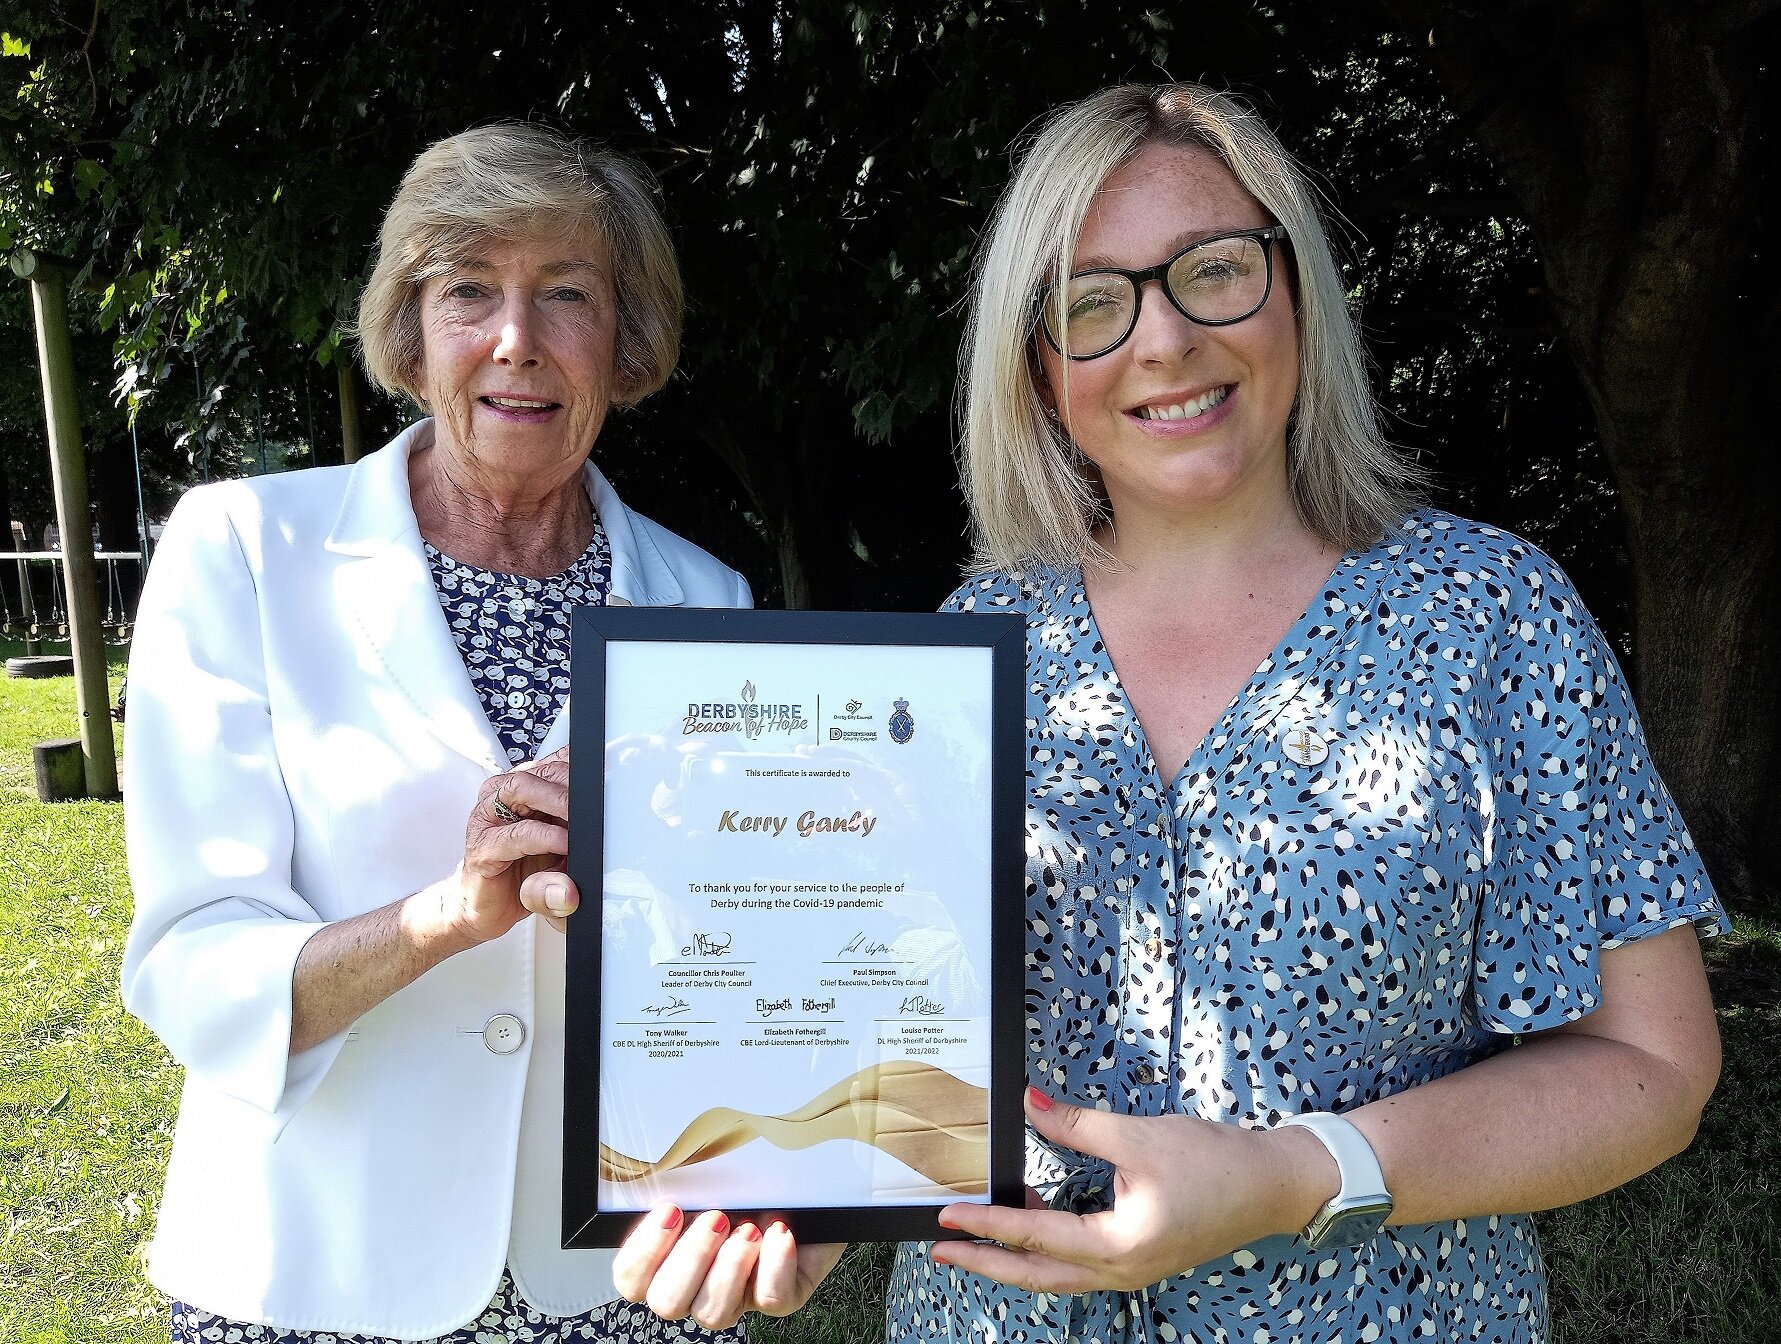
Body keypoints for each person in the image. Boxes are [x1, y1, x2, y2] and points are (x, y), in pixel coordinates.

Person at [614, 83, 1727, 1343]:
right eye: (1090, 302)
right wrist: (807, 1197)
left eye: (1213, 270)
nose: (1163, 340)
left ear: (1294, 291)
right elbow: (877, 1031)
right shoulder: (963, 654)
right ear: (1040, 370)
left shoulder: (1490, 618)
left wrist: (1295, 1176)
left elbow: (1652, 1063)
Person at [121, 122, 751, 1343]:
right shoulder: (245, 550)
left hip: (612, 1277)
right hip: (316, 1269)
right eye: (469, 290)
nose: (517, 338)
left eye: (566, 292)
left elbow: (728, 952)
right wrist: (444, 919)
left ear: (623, 340)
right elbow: (193, 965)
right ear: (411, 334)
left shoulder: (707, 601)